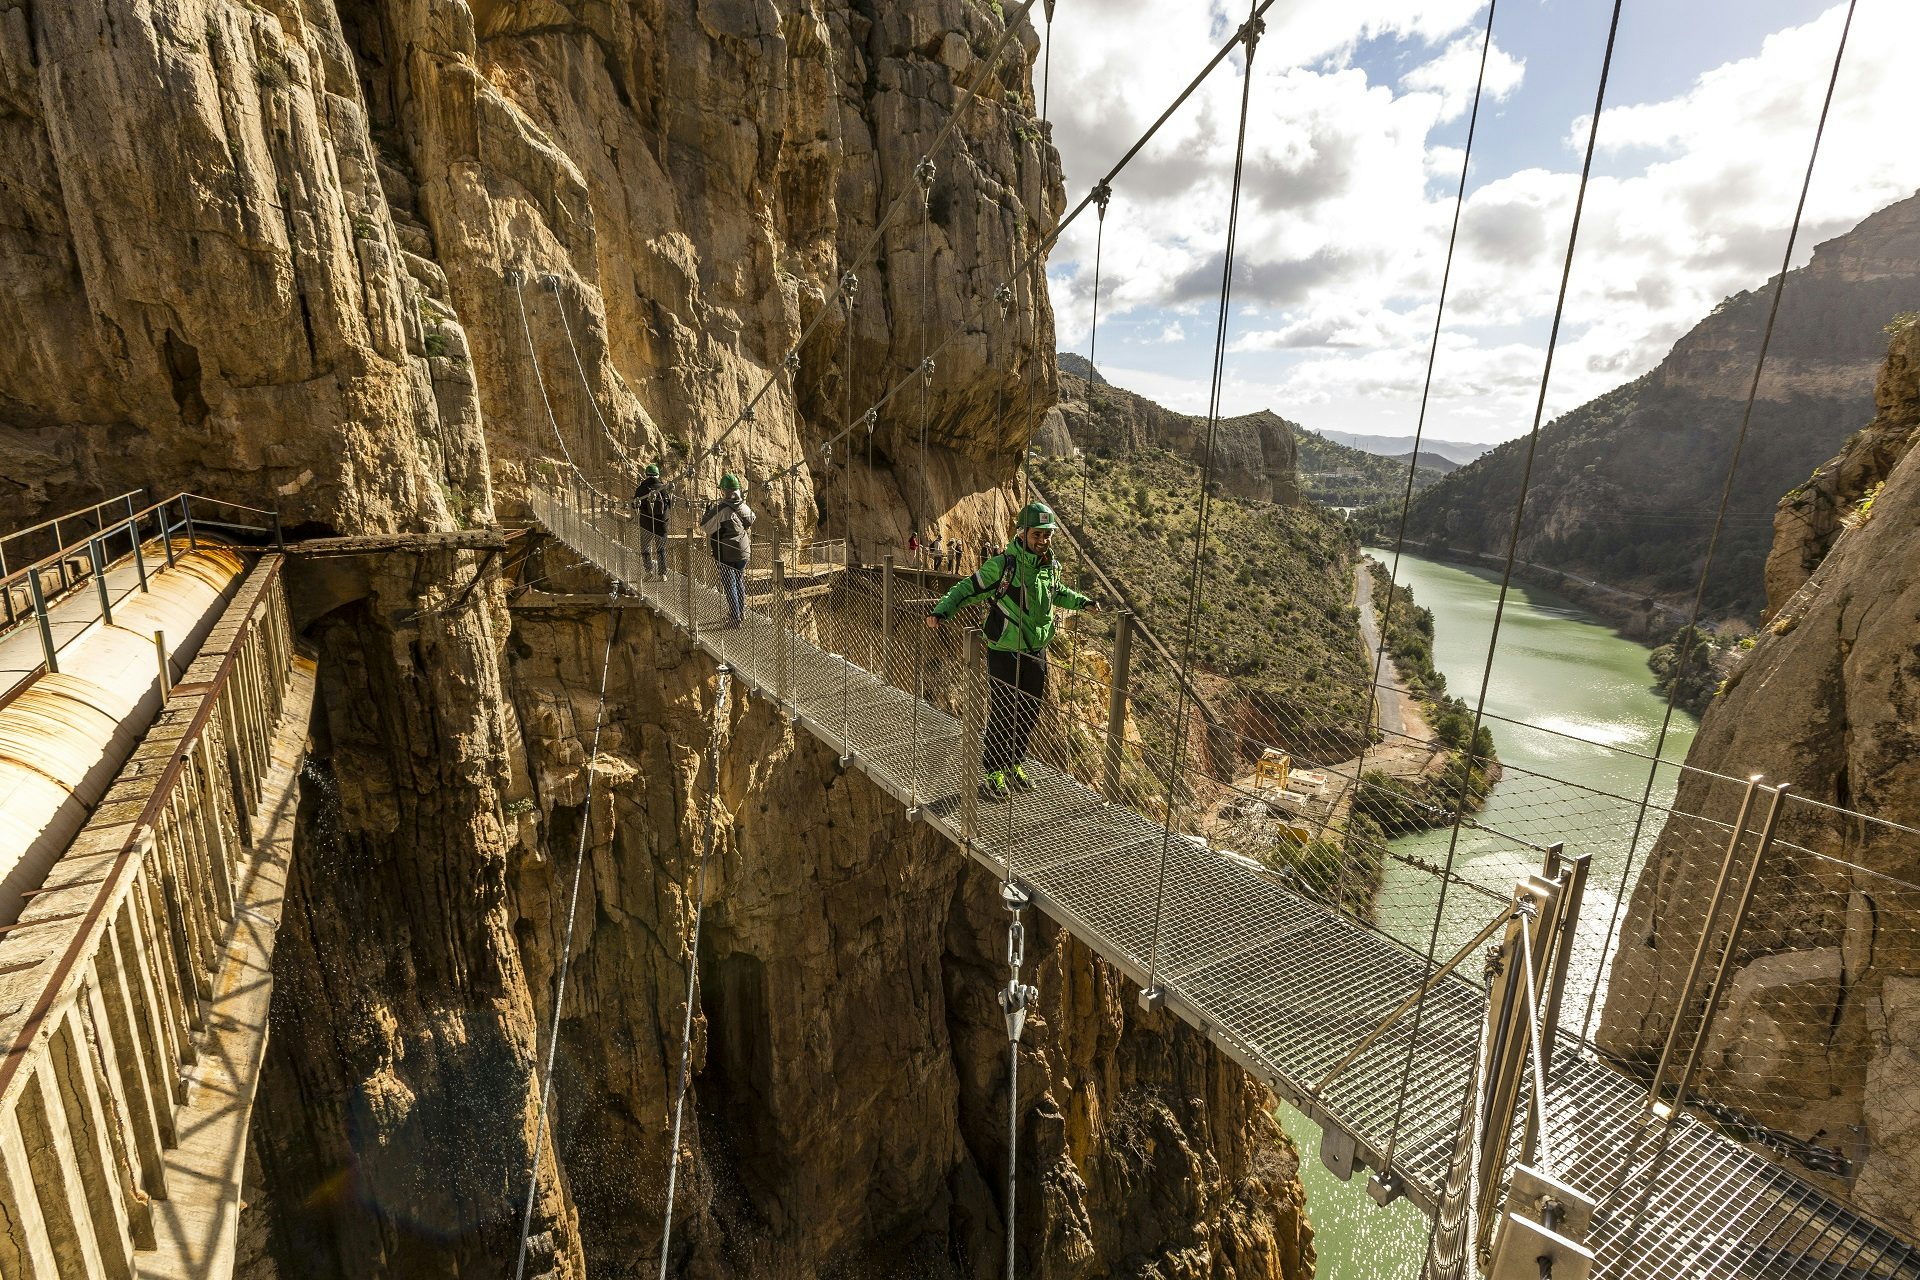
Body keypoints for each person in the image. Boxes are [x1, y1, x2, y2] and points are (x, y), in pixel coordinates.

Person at [925, 502, 1099, 800]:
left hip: (1036, 650)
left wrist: (1082, 602)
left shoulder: (1050, 567)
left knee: (1029, 712)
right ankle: (993, 769)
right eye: (1037, 534)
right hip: (1004, 649)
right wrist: (942, 611)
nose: (1043, 540)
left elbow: (1058, 593)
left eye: (1047, 535)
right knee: (1004, 712)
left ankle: (1014, 762)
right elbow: (967, 588)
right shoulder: (1003, 565)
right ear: (1022, 533)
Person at [701, 473, 756, 627]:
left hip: (726, 552)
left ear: (724, 491)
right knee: (739, 581)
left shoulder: (721, 509)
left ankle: (734, 618)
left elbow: (705, 526)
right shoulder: (743, 506)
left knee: (729, 583)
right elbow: (752, 518)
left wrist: (707, 512)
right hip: (744, 551)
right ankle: (740, 612)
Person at [631, 463, 673, 579]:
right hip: (662, 523)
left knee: (645, 547)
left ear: (646, 475)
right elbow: (670, 504)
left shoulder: (641, 489)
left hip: (646, 523)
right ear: (658, 475)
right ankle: (663, 574)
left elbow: (634, 505)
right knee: (661, 549)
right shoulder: (664, 488)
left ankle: (648, 571)